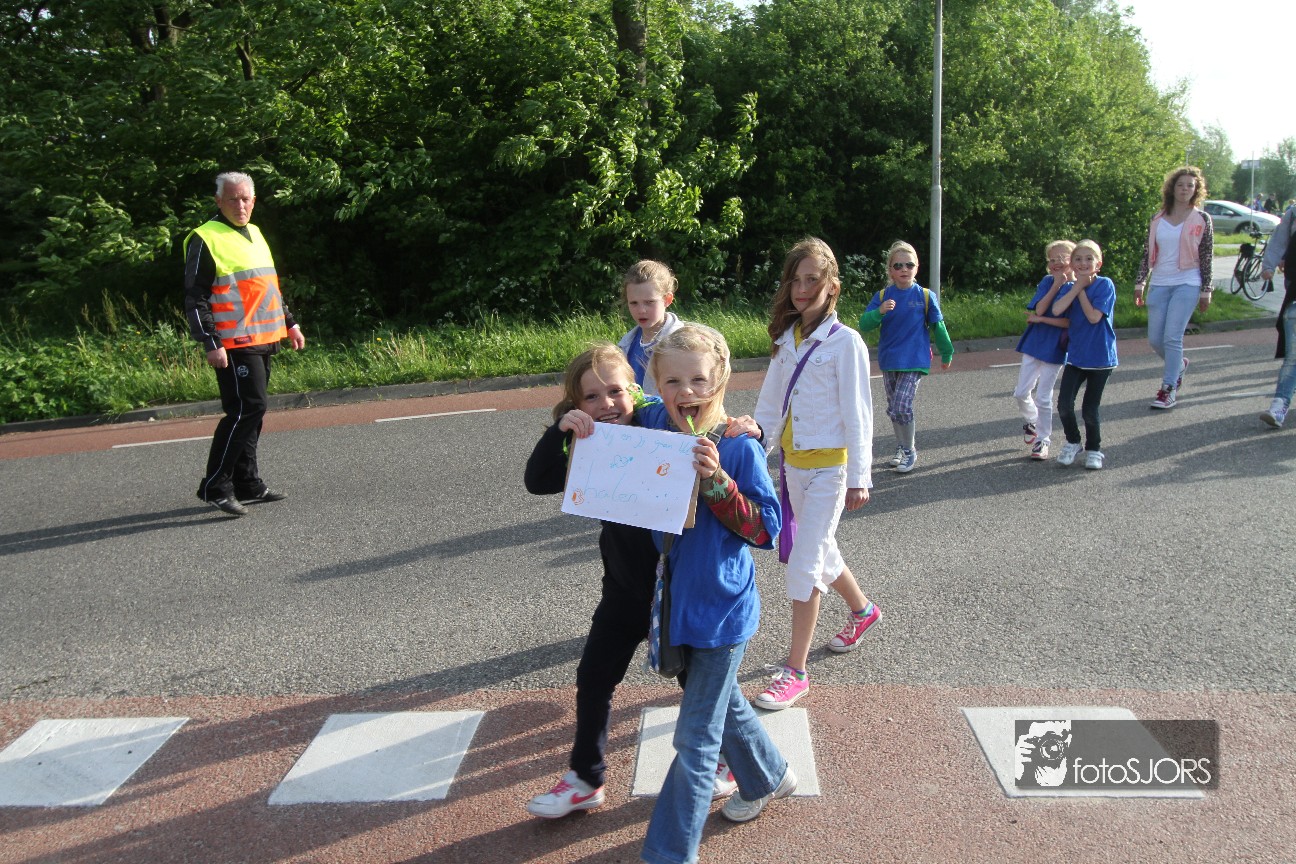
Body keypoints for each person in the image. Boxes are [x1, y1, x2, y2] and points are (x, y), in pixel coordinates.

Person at [523, 344, 743, 818]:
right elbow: (538, 481)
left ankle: (730, 761)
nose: (606, 404)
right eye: (590, 397)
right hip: (622, 590)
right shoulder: (586, 440)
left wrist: (745, 428)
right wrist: (560, 430)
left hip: (674, 593)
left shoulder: (656, 421)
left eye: (615, 392)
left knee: (699, 687)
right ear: (576, 403)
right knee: (594, 677)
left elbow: (706, 419)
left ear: (635, 392)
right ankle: (586, 778)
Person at [637, 324, 794, 864]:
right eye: (672, 381)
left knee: (695, 738)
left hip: (722, 612)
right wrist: (575, 421)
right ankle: (768, 775)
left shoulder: (738, 446)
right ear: (656, 383)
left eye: (699, 380)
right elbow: (612, 411)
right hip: (674, 607)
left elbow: (768, 531)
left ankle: (668, 853)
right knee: (722, 703)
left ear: (720, 380)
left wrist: (719, 482)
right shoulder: (654, 425)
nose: (686, 392)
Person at [750, 238, 878, 711]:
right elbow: (770, 406)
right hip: (793, 469)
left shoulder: (846, 342)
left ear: (832, 286)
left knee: (805, 563)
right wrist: (753, 454)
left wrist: (860, 476)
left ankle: (796, 671)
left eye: (812, 280)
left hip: (830, 471)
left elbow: (859, 413)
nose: (802, 289)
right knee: (821, 552)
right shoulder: (787, 340)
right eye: (795, 280)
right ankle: (863, 611)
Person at [184, 171, 305, 516]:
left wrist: (290, 322)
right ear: (218, 201)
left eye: (246, 199)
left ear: (254, 201)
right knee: (245, 410)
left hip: (263, 337)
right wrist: (210, 341)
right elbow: (195, 297)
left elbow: (267, 286)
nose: (240, 205)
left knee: (254, 412)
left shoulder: (255, 232)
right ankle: (215, 486)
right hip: (233, 341)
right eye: (233, 199)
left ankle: (247, 483)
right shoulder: (205, 238)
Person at [857, 241, 954, 474]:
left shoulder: (925, 296)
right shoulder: (882, 296)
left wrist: (947, 351)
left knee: (901, 405)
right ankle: (901, 447)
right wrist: (879, 311)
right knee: (894, 407)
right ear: (890, 270)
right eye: (898, 265)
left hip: (915, 360)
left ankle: (909, 450)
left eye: (909, 265)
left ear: (917, 268)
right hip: (890, 360)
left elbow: (938, 326)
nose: (904, 269)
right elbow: (864, 324)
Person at [1132, 166, 1213, 410]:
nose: (1185, 189)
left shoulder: (1201, 219)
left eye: (1190, 185)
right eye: (1180, 185)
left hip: (1188, 282)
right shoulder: (1157, 218)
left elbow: (1206, 255)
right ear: (1172, 188)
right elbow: (1147, 253)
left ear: (1196, 190)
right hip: (1160, 282)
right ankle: (1178, 365)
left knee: (1172, 337)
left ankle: (1168, 389)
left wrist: (1206, 290)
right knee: (1155, 339)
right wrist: (1140, 282)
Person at [1052, 240, 1118, 470]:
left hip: (1101, 358)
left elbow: (1093, 317)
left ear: (1098, 263)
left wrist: (1080, 290)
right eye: (1078, 259)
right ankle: (1073, 442)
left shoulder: (1105, 285)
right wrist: (1076, 287)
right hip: (1076, 357)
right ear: (1072, 263)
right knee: (1063, 405)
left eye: (1089, 259)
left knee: (1090, 409)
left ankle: (1094, 449)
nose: (1083, 263)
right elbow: (1057, 310)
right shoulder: (1070, 287)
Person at [1012, 241, 1074, 461]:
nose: (1056, 263)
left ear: (1073, 260)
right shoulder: (1048, 281)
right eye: (1052, 259)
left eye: (1062, 258)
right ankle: (1032, 421)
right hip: (1035, 341)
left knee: (1044, 396)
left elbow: (1068, 322)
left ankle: (1043, 439)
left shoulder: (1077, 288)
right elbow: (1039, 308)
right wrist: (1056, 285)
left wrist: (1041, 320)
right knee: (1021, 392)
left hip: (1056, 346)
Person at [617, 260, 684, 395]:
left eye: (649, 302)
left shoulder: (684, 341)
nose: (641, 310)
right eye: (634, 303)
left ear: (667, 300)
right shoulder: (626, 344)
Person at [1259, 204, 1296, 427]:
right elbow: (1279, 241)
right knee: (1293, 357)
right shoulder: (1294, 212)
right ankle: (1279, 406)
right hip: (1295, 295)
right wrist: (1269, 266)